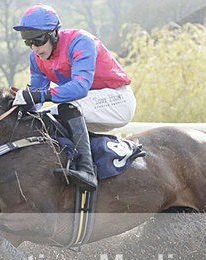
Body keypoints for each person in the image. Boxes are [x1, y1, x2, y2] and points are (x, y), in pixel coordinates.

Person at [12, 3, 136, 191]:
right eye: (28, 43)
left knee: (67, 107)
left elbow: (80, 87)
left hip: (117, 100)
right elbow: (35, 102)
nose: (35, 48)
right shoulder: (36, 59)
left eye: (38, 40)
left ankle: (87, 172)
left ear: (54, 33)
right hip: (90, 106)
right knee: (46, 119)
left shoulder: (80, 41)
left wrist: (39, 96)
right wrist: (19, 106)